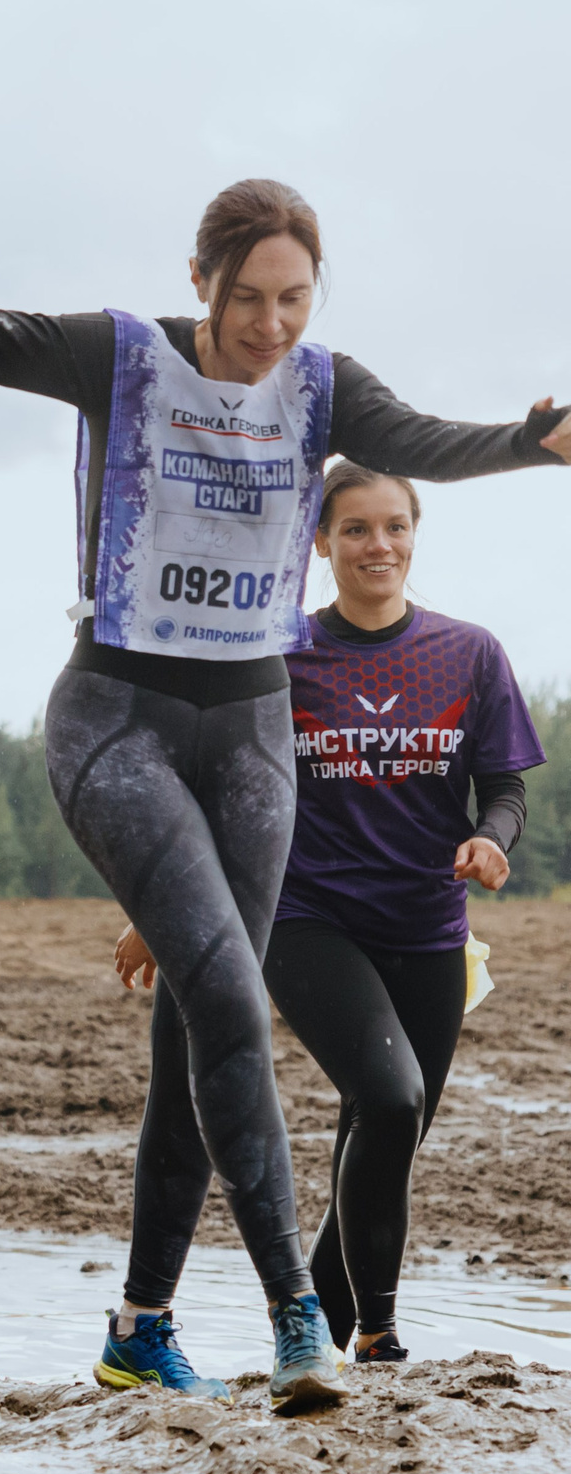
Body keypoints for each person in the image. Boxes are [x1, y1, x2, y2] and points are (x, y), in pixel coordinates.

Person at [0, 179, 570, 1411]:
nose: (271, 325)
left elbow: (427, 444)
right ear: (201, 282)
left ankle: (139, 1325)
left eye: (295, 298)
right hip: (117, 721)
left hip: (247, 735)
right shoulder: (119, 357)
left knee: (192, 1032)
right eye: (249, 298)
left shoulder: (323, 386)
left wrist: (529, 440)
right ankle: (301, 1314)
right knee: (235, 1001)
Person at [115, 460, 543, 1367]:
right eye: (355, 529)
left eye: (394, 527)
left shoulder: (468, 652)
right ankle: (379, 1336)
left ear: (414, 535)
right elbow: (204, 788)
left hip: (428, 926)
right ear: (319, 541)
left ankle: (330, 1342)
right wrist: (159, 902)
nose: (377, 546)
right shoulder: (281, 656)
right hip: (304, 916)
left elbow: (502, 785)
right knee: (390, 1098)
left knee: (387, 1125)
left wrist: (492, 837)